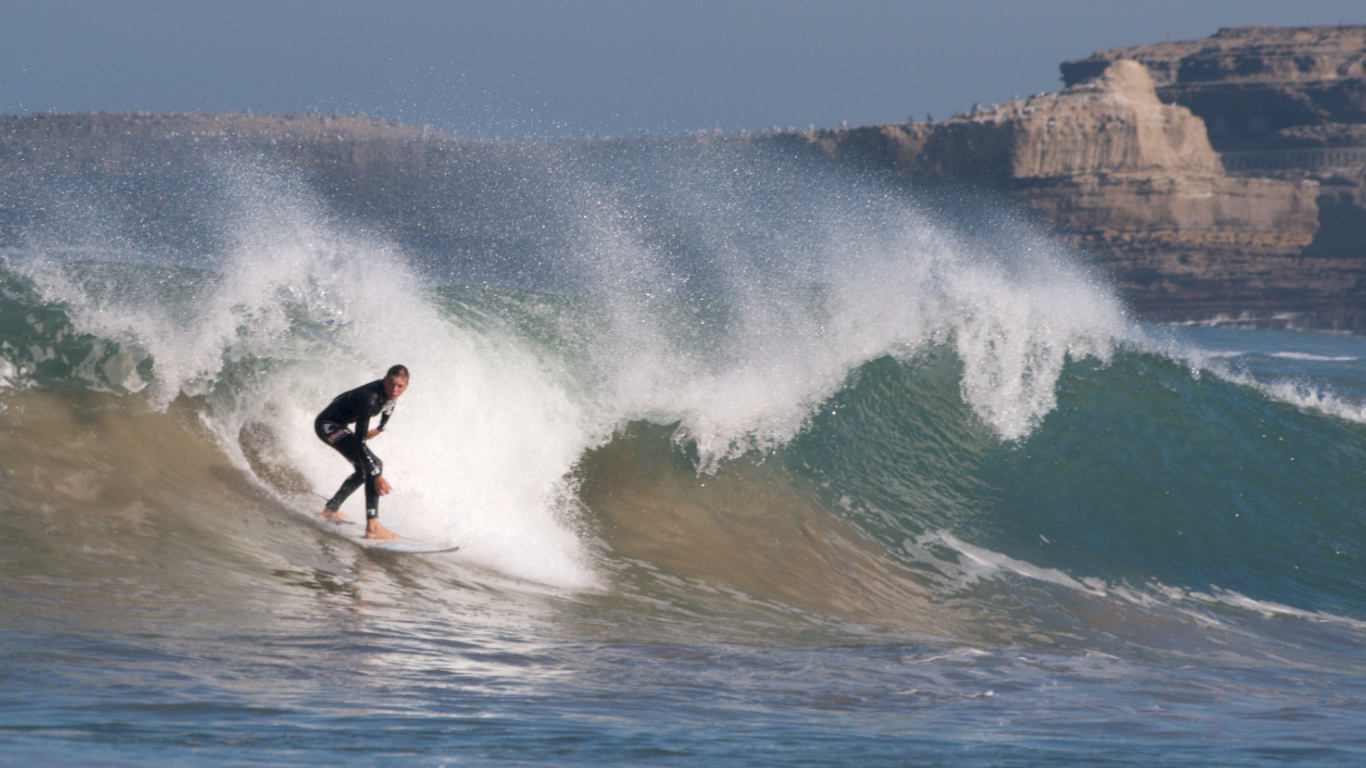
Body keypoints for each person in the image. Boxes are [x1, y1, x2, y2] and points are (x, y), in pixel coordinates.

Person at [314, 364, 410, 539]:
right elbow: (359, 442)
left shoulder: (390, 394)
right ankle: (373, 526)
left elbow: (389, 406)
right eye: (391, 384)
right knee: (374, 466)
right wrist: (377, 476)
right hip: (328, 426)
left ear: (406, 386)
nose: (394, 390)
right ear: (384, 380)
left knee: (363, 471)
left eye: (399, 386)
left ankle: (330, 511)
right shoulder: (370, 398)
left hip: (339, 425)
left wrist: (380, 427)